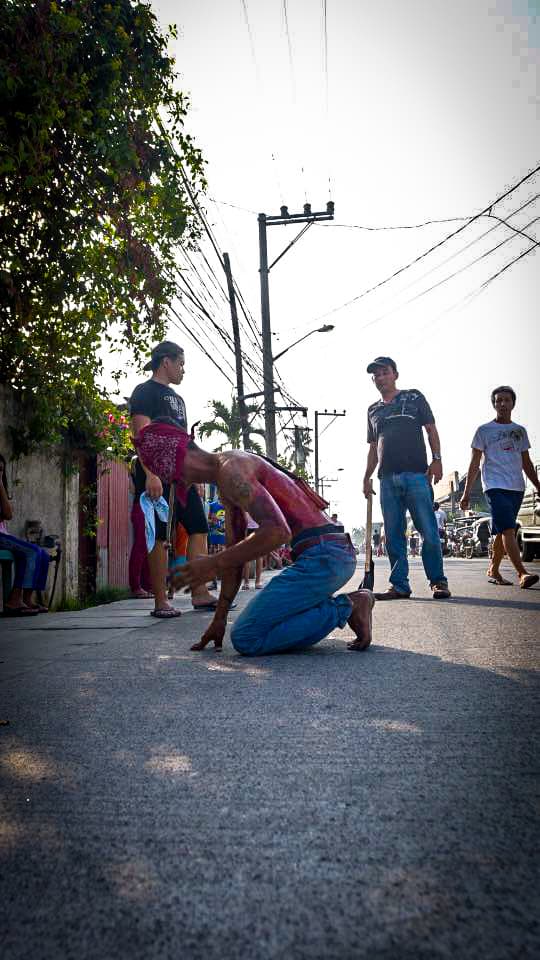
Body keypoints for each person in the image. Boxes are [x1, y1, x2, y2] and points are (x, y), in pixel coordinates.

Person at [134, 422, 375, 654]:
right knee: (257, 628)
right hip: (327, 555)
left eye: (175, 474)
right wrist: (220, 618)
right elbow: (236, 556)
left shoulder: (232, 470)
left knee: (247, 637)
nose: (180, 482)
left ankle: (349, 606)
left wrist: (212, 563)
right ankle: (338, 607)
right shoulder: (226, 473)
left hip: (324, 557)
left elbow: (278, 532)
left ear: (182, 455)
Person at [129, 341, 217, 617]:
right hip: (157, 475)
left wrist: (197, 477)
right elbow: (140, 437)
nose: (183, 370)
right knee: (160, 536)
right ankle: (160, 602)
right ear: (165, 361)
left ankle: (200, 593)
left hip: (183, 477)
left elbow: (184, 443)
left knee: (199, 527)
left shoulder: (178, 400)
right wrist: (151, 475)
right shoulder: (144, 392)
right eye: (180, 363)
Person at [363, 356, 451, 600]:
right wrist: (366, 477)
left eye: (384, 372)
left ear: (395, 374)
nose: (380, 378)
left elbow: (431, 429)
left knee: (429, 531)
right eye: (376, 375)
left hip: (416, 475)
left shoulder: (414, 397)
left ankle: (438, 581)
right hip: (387, 479)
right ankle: (399, 585)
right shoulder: (373, 410)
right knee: (393, 535)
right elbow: (373, 448)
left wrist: (437, 459)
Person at [460, 385, 539, 589]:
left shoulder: (519, 431)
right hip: (494, 486)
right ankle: (522, 573)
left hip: (517, 487)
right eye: (498, 401)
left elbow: (527, 463)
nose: (502, 404)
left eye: (506, 400)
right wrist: (466, 493)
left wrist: (538, 486)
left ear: (513, 403)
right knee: (508, 528)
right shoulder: (484, 431)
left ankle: (494, 570)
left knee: (503, 529)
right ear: (494, 404)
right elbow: (474, 464)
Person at [0, 453, 50, 616]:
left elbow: (7, 513)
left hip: (3, 535)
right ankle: (15, 599)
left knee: (43, 554)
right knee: (32, 551)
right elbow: (8, 514)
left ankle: (26, 599)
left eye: (1, 470)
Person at [128, 456, 153, 599]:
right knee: (142, 546)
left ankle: (146, 586)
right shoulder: (145, 460)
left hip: (142, 505)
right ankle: (137, 587)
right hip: (143, 506)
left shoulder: (135, 461)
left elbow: (131, 488)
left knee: (147, 547)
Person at [242, 514, 263, 590]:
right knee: (249, 557)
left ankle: (254, 581)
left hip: (257, 528)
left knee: (257, 556)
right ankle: (248, 582)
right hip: (249, 528)